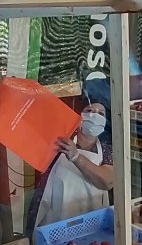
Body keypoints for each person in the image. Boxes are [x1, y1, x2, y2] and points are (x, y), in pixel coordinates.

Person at [26, 101, 114, 236]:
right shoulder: (59, 143)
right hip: (56, 222)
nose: (95, 116)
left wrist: (76, 156)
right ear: (80, 117)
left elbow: (107, 182)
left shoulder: (107, 150)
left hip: (91, 222)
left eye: (101, 113)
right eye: (90, 111)